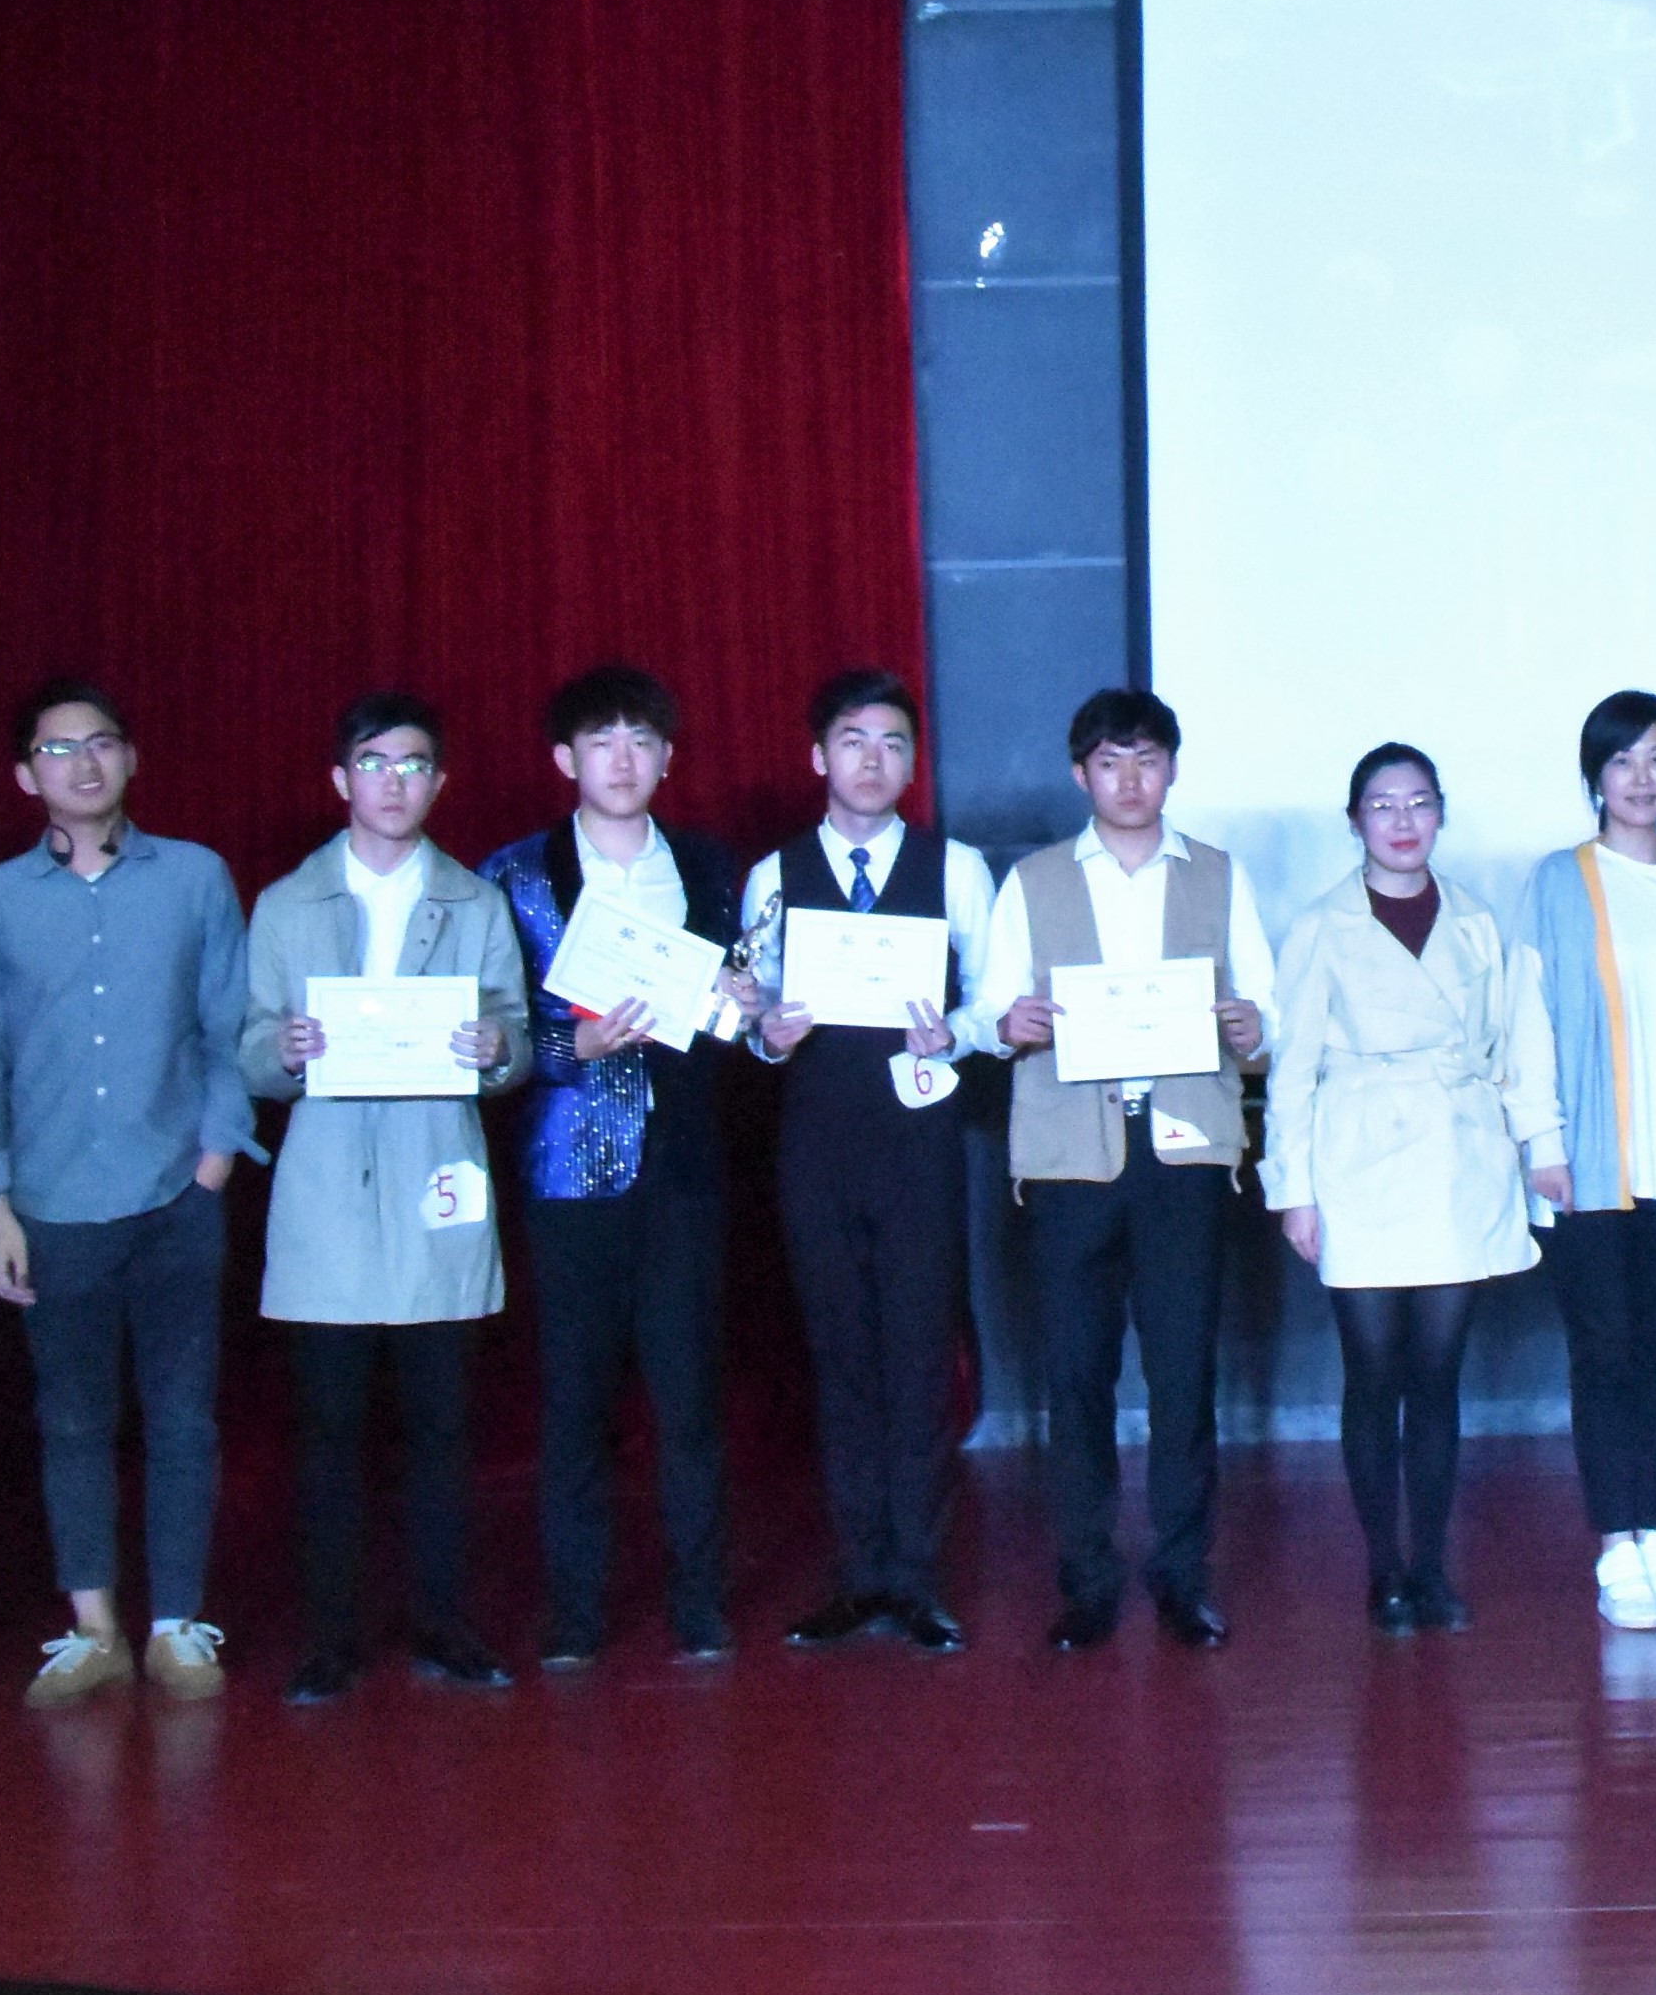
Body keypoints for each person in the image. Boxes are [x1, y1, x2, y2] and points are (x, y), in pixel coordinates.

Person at [0, 680, 259, 1709]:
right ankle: (93, 1629)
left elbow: (228, 1025)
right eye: (57, 748)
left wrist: (214, 1160)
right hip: (52, 1201)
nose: (83, 763)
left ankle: (176, 1625)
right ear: (24, 774)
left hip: (177, 1191)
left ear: (131, 759)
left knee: (182, 1417)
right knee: (73, 1421)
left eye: (102, 743)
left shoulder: (195, 876)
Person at [243, 693, 532, 1704]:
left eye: (414, 765)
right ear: (341, 779)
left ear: (438, 782)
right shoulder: (286, 903)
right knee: (328, 1432)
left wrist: (497, 1047)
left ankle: (444, 1621)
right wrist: (281, 1051)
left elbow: (515, 1035)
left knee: (442, 1427)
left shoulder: (475, 902)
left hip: (434, 1179)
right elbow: (249, 1044)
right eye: (374, 763)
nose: (394, 782)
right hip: (325, 1190)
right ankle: (331, 1635)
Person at [983, 686, 1278, 1650]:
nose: (1130, 779)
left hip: (1183, 1151)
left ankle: (1183, 1575)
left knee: (1184, 1374)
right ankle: (1087, 1579)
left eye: (1147, 759)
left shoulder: (1219, 875)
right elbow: (990, 1013)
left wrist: (1253, 1025)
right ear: (1082, 774)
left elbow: (1267, 1009)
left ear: (1173, 768)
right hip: (1072, 1157)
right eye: (1110, 762)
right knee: (1076, 1376)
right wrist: (1011, 1023)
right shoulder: (1032, 881)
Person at [482, 663, 754, 1670]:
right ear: (567, 759)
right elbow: (498, 1026)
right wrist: (573, 1046)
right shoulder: (514, 873)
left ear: (668, 757)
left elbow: (730, 1011)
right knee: (574, 1402)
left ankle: (699, 1602)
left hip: (684, 1165)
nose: (624, 759)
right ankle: (577, 1611)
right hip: (568, 1168)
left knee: (689, 1396)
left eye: (642, 740)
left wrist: (744, 1009)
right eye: (603, 741)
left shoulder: (709, 866)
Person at [1268, 745, 1566, 1632]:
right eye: (1383, 804)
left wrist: (1540, 1147)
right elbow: (1292, 1068)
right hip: (1357, 1154)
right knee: (1372, 1372)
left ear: (1441, 812)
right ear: (1354, 819)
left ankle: (1431, 1565)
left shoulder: (1476, 920)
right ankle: (1383, 1568)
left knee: (1437, 1376)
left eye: (1419, 802)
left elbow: (1521, 1041)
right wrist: (1293, 1188)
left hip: (1455, 1157)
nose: (1402, 821)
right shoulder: (1321, 924)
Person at [744, 667, 996, 1655]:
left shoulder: (956, 867)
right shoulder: (774, 874)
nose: (873, 760)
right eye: (853, 740)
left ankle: (917, 1577)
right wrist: (767, 1030)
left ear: (913, 761)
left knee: (918, 1355)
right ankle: (858, 1573)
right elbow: (753, 1012)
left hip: (919, 1140)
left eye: (894, 743)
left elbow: (994, 1000)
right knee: (841, 1355)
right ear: (819, 755)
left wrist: (956, 1032)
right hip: (817, 1141)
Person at [1522, 690, 1656, 1633]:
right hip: (1587, 1167)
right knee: (1604, 1351)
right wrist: (1542, 1140)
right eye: (1622, 760)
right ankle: (1617, 1540)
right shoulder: (1559, 880)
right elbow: (1526, 1017)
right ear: (1594, 777)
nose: (1641, 777)